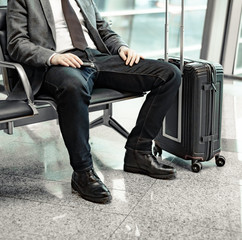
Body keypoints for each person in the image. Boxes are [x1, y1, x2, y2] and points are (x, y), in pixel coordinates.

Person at [7, 0, 181, 204]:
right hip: (58, 64)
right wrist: (52, 57)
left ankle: (138, 151)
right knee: (73, 86)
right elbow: (17, 43)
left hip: (97, 58)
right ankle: (83, 172)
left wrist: (121, 47)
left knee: (169, 74)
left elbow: (103, 29)